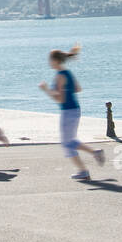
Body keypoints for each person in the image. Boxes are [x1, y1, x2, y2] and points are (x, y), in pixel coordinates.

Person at [39, 44, 105, 182]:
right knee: (71, 141)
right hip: (75, 109)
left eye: (50, 60)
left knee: (66, 144)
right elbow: (78, 89)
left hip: (68, 111)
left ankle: (83, 171)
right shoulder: (67, 73)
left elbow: (60, 99)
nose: (49, 62)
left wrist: (46, 90)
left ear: (56, 61)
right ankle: (95, 152)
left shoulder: (59, 77)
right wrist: (66, 91)